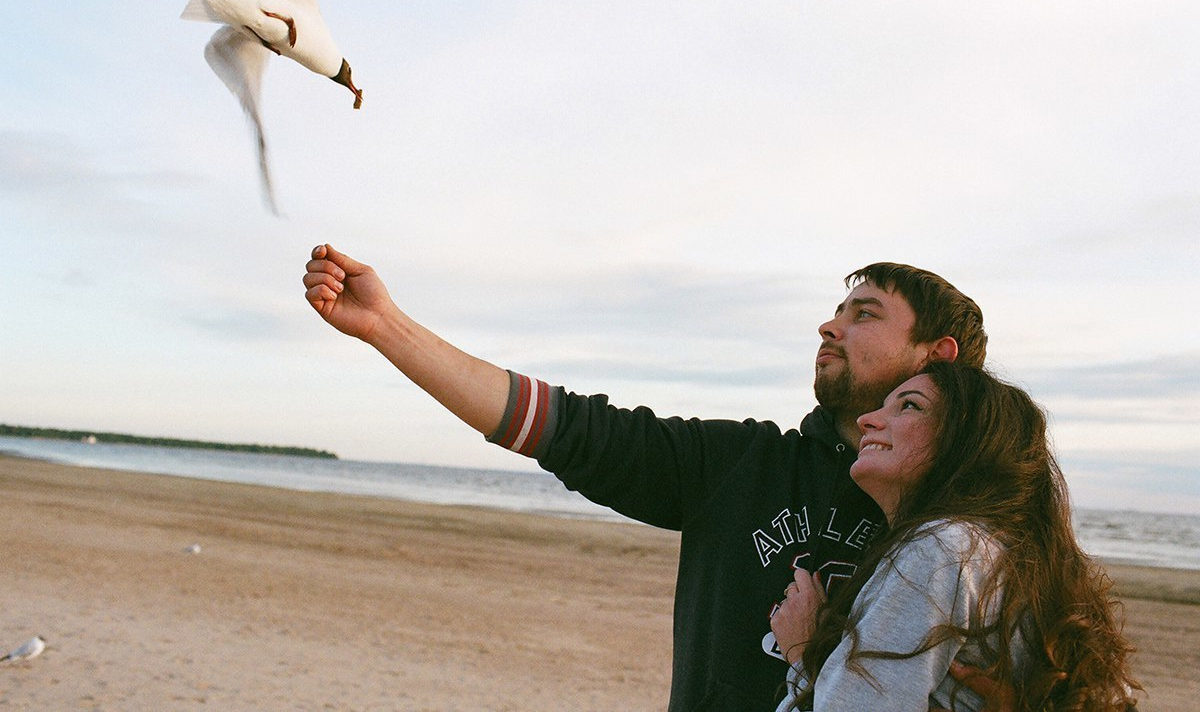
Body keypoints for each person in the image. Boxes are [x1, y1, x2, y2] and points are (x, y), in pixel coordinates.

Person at [302, 244, 989, 709]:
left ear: (939, 354)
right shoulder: (743, 467)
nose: (828, 326)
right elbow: (570, 429)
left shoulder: (983, 530)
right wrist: (387, 326)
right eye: (837, 310)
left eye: (862, 313)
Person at [770, 362, 1140, 710]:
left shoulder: (941, 549)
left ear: (967, 440)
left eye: (909, 406)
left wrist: (803, 652)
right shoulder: (1003, 551)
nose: (867, 420)